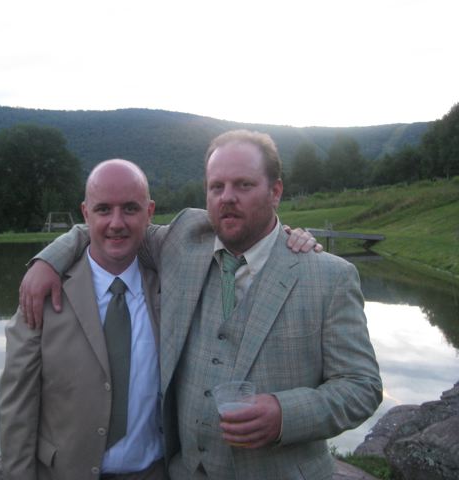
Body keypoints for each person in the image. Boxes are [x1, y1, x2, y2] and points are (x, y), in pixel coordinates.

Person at [20, 129, 383, 479]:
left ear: (275, 192)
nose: (227, 197)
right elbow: (112, 227)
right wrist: (48, 260)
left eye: (243, 185)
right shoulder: (183, 241)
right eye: (216, 186)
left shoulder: (329, 277)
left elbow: (361, 386)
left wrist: (285, 414)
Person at [0, 159, 166, 479]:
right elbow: (17, 408)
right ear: (86, 213)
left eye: (130, 208)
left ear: (149, 212)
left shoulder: (171, 287)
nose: (116, 223)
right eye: (103, 209)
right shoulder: (41, 294)